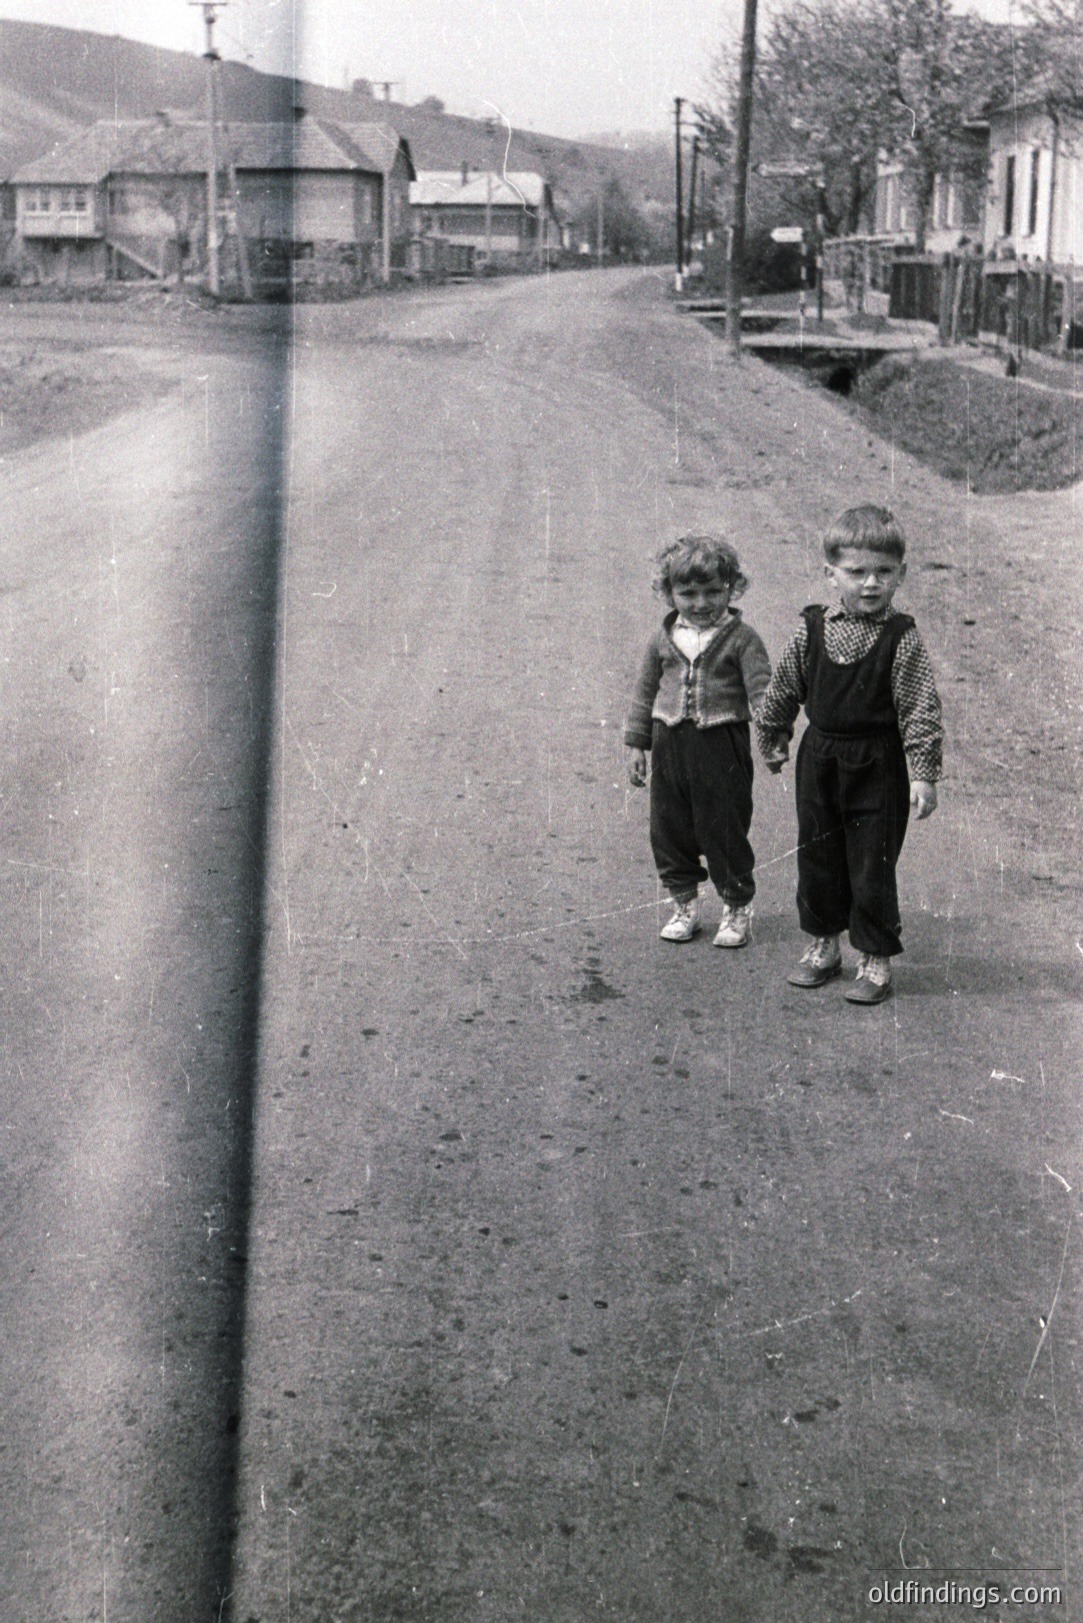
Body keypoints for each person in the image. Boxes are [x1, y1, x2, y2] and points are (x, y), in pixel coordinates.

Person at [756, 504, 943, 1004]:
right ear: (829, 573)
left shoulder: (901, 638)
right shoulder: (812, 629)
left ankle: (875, 957)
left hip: (878, 765)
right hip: (819, 759)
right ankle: (823, 945)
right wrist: (772, 734)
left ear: (901, 573)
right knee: (818, 855)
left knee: (871, 863)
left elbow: (920, 707)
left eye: (883, 572)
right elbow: (782, 688)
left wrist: (923, 773)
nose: (869, 583)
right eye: (855, 572)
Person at [625, 534, 772, 947]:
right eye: (688, 593)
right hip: (669, 741)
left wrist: (771, 732)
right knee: (668, 827)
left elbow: (762, 690)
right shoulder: (662, 638)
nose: (701, 603)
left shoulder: (742, 638)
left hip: (721, 744)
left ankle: (736, 907)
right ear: (668, 593)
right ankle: (684, 904)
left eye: (713, 591)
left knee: (723, 826)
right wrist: (637, 745)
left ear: (732, 588)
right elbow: (644, 692)